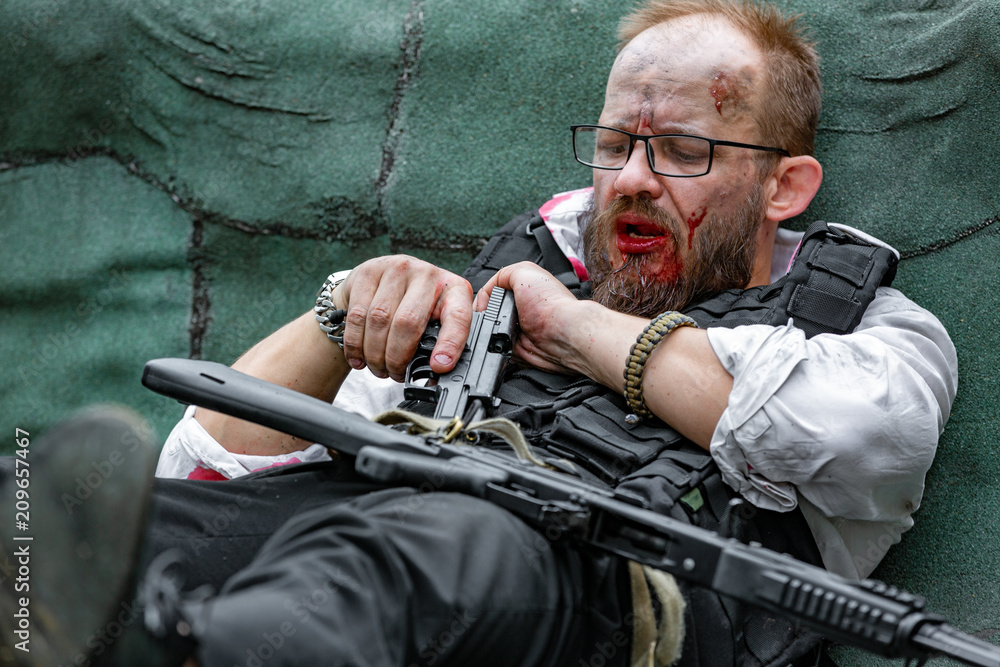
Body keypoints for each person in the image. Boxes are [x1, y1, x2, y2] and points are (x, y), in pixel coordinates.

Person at [2, 1, 957, 666]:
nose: (631, 178)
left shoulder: (868, 329)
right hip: (365, 524)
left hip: (604, 603)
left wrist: (576, 328)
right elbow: (203, 461)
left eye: (682, 151)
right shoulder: (508, 284)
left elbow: (844, 437)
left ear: (783, 186)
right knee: (91, 533)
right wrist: (344, 317)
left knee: (439, 543)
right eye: (619, 144)